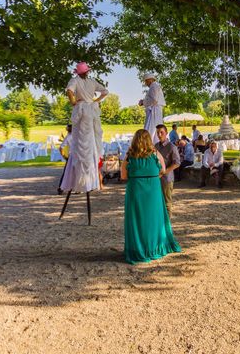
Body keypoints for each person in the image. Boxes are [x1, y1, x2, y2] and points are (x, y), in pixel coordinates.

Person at [121, 129, 181, 264]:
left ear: (135, 140)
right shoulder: (155, 153)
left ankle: (137, 250)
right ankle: (154, 248)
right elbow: (163, 170)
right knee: (154, 219)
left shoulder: (129, 155)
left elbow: (123, 176)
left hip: (136, 190)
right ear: (149, 139)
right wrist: (153, 177)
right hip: (153, 190)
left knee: (137, 220)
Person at [60, 62, 109, 194]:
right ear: (86, 71)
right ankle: (91, 179)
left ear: (78, 72)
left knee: (81, 141)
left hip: (82, 109)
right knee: (91, 140)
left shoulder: (75, 80)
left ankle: (83, 179)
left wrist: (73, 102)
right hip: (91, 110)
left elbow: (69, 91)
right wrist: (95, 101)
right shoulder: (92, 81)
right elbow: (105, 91)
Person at [154, 124, 181, 215]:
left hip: (167, 179)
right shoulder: (156, 146)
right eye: (158, 133)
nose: (159, 135)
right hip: (156, 178)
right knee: (158, 201)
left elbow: (177, 163)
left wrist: (165, 172)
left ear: (166, 133)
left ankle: (167, 225)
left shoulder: (172, 147)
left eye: (161, 132)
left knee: (167, 203)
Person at [139, 73, 166, 143]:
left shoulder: (154, 86)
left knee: (152, 128)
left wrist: (143, 102)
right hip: (154, 110)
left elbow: (154, 100)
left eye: (146, 81)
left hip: (154, 110)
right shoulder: (155, 86)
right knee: (153, 128)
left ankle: (150, 144)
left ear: (150, 80)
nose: (146, 83)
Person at [57, 124, 72, 194]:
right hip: (77, 156)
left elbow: (61, 148)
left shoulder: (68, 137)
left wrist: (64, 156)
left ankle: (61, 188)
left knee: (66, 172)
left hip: (72, 156)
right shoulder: (78, 136)